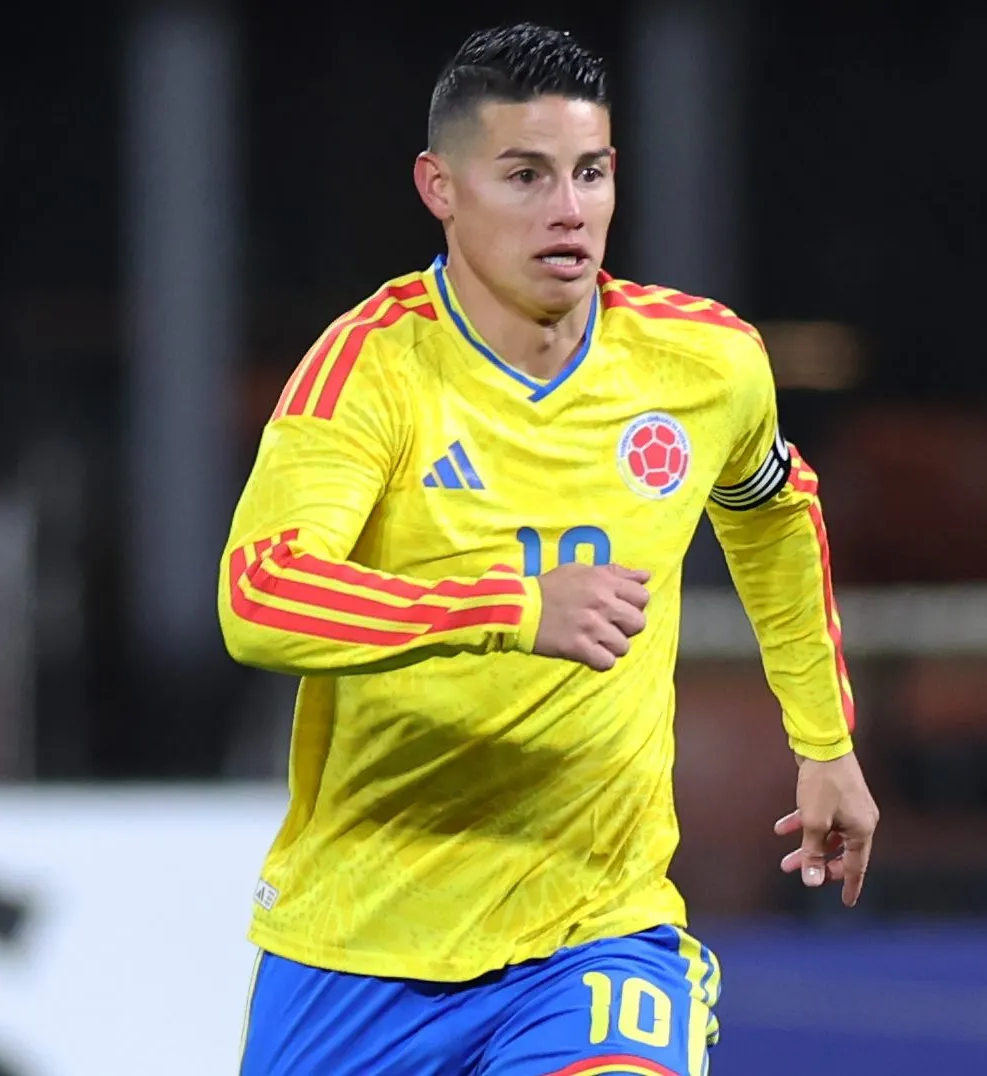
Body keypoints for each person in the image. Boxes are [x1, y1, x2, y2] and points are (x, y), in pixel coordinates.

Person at [220, 22, 879, 1076]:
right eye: (524, 175)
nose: (568, 211)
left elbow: (771, 507)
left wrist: (823, 737)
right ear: (439, 186)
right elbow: (258, 595)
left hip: (595, 928)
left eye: (590, 172)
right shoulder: (369, 371)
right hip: (362, 942)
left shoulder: (704, 363)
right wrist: (511, 605)